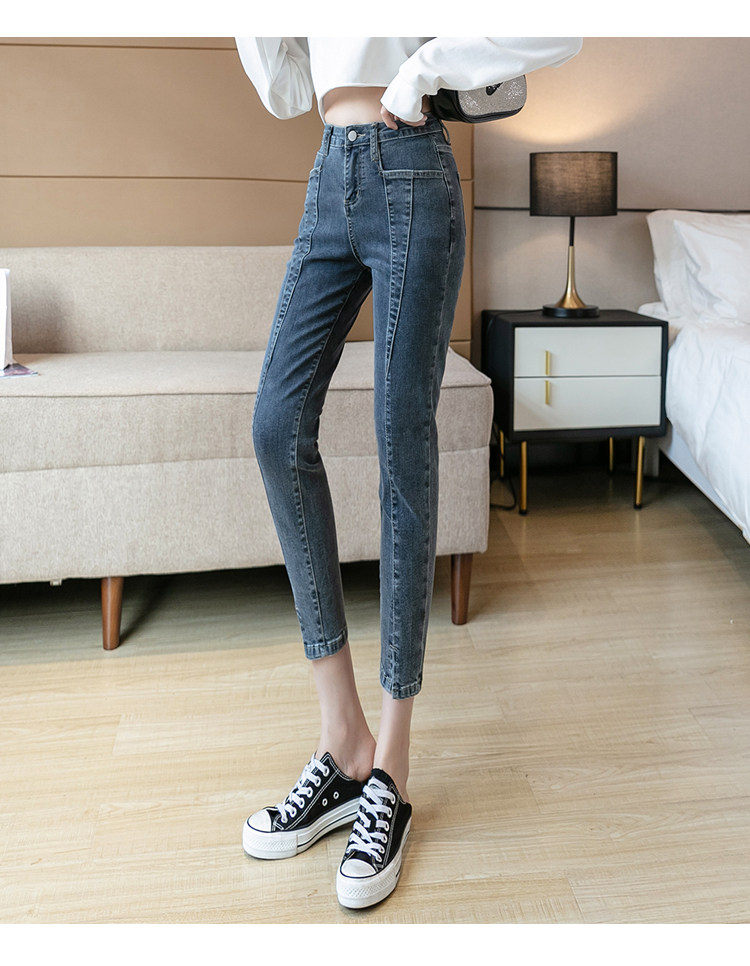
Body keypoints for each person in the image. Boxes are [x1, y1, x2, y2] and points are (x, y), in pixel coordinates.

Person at [235, 36, 582, 909]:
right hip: (329, 171)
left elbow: (563, 27)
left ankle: (390, 763)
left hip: (413, 168)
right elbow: (285, 90)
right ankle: (343, 741)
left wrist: (420, 74)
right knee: (276, 426)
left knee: (401, 441)